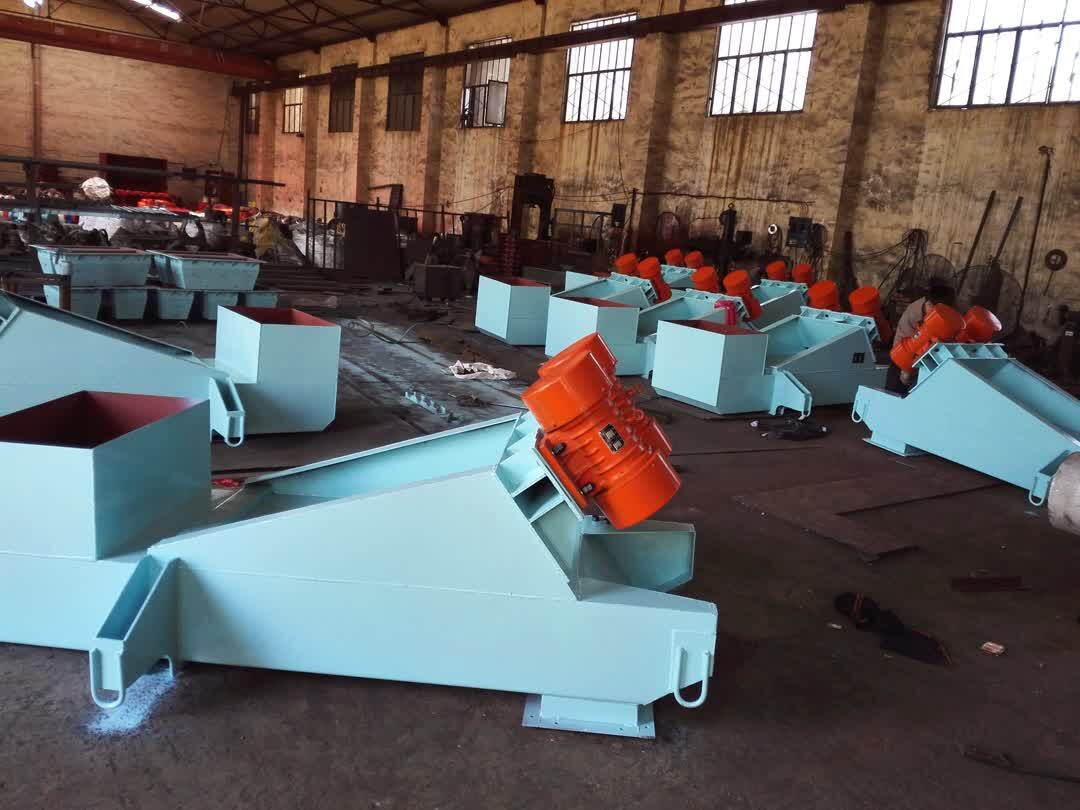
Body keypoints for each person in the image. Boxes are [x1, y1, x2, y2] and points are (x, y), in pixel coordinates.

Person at [885, 284, 956, 394]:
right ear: (928, 303)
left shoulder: (947, 312)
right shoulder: (913, 313)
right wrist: (906, 371)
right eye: (935, 310)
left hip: (926, 357)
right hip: (903, 356)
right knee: (895, 390)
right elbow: (904, 346)